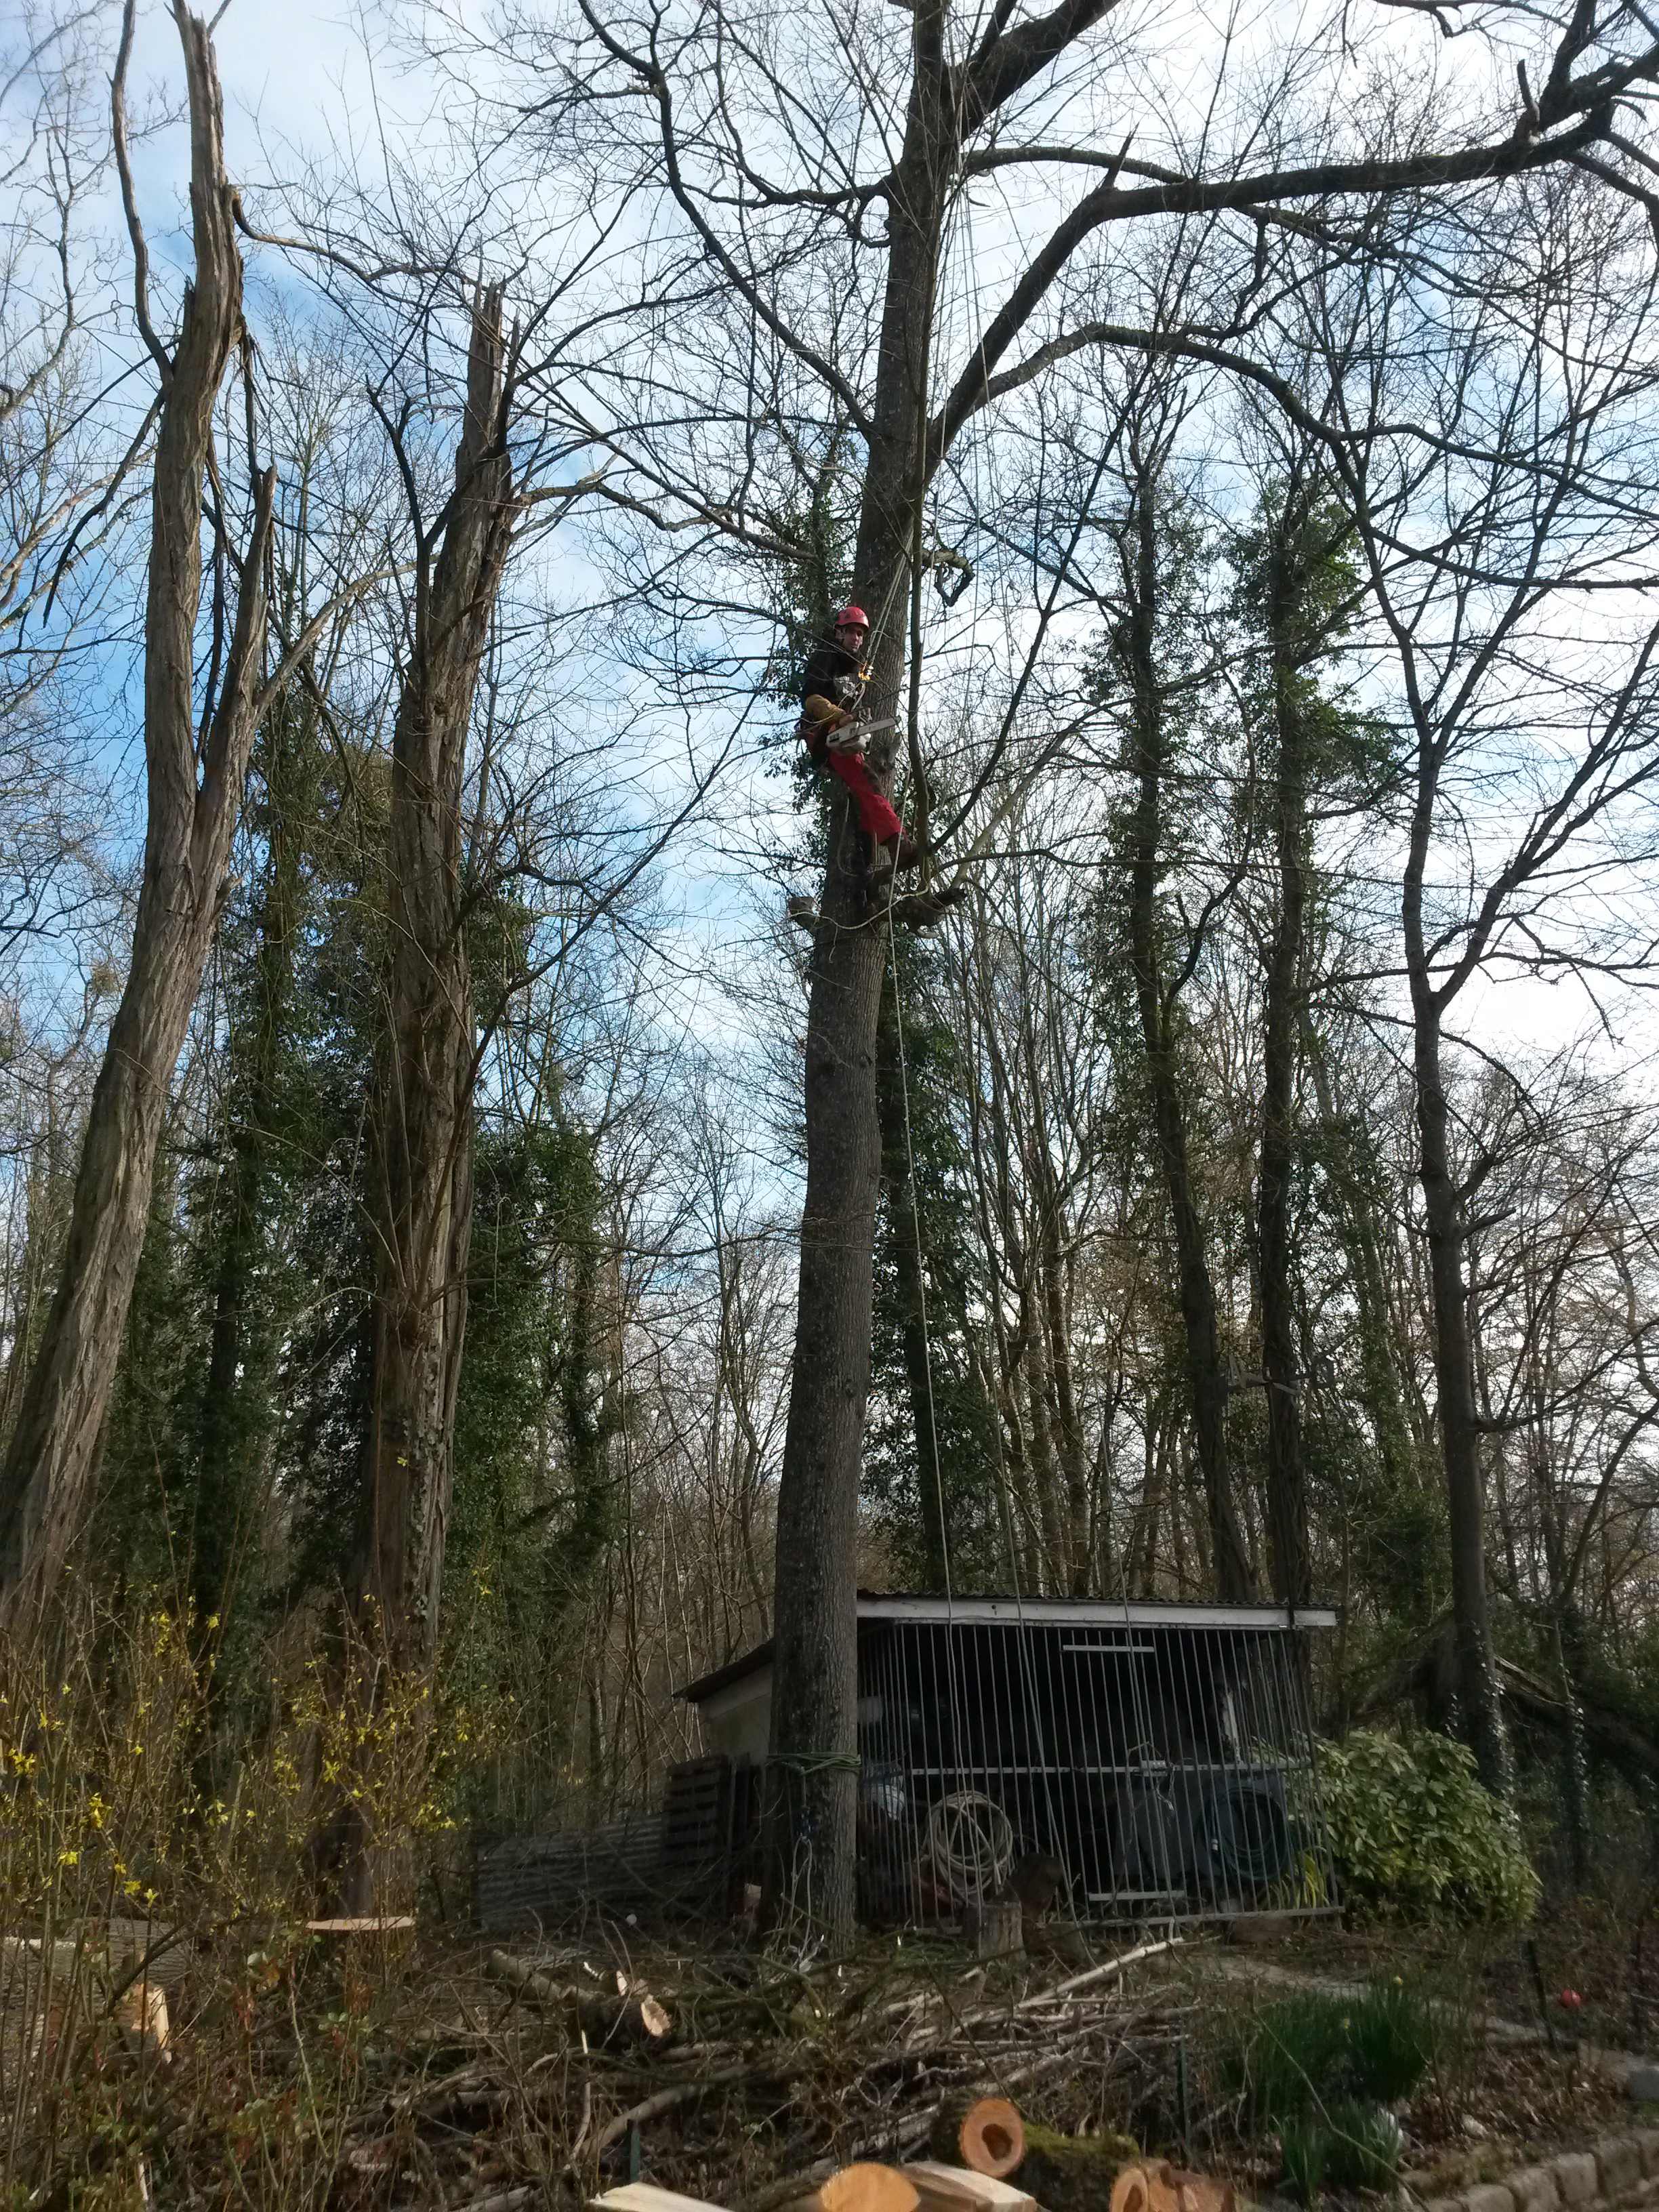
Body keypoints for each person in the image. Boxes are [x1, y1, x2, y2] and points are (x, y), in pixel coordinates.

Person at [798, 605, 920, 874]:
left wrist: (856, 716)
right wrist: (839, 716)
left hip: (843, 732)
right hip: (823, 730)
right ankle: (896, 842)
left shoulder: (857, 669)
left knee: (861, 793)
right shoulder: (826, 655)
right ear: (839, 632)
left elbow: (857, 694)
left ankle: (865, 862)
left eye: (861, 635)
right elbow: (811, 697)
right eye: (852, 632)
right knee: (866, 780)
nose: (857, 639)